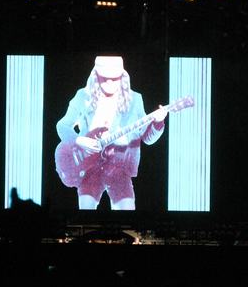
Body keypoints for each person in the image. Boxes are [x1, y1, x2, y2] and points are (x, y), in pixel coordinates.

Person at [55, 56, 167, 210]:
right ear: (96, 76)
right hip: (89, 167)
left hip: (119, 167)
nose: (109, 82)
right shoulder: (83, 96)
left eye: (114, 78)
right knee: (85, 214)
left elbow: (147, 138)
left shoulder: (135, 99)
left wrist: (158, 122)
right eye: (104, 78)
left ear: (122, 77)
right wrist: (79, 140)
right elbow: (62, 126)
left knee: (127, 213)